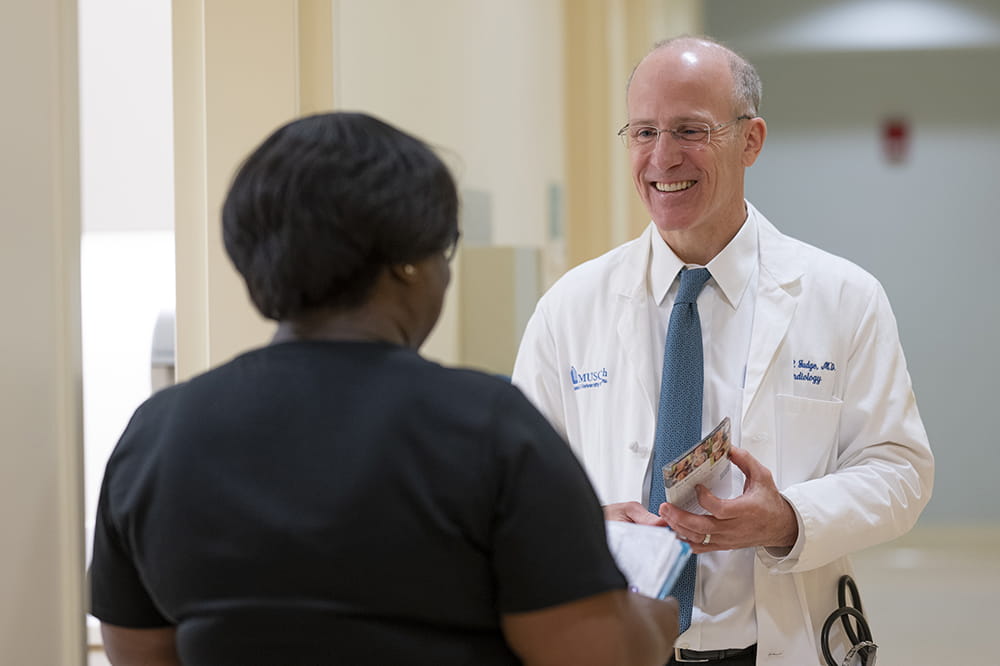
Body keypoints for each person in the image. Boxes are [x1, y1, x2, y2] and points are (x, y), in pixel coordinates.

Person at [89, 112, 679, 666]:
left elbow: (138, 650)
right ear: (408, 264)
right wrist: (655, 615)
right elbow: (595, 653)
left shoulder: (158, 434)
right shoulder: (486, 430)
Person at [512, 36, 933, 665]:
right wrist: (589, 525)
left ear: (751, 140)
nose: (661, 157)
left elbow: (901, 472)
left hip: (778, 642)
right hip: (617, 643)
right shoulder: (570, 307)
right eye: (642, 131)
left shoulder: (843, 297)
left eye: (689, 130)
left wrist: (789, 517)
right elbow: (515, 492)